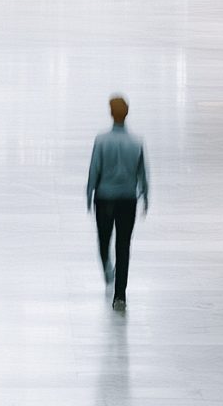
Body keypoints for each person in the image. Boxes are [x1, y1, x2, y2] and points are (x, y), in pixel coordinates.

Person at [85, 93, 149, 309]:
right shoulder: (137, 142)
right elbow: (142, 172)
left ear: (111, 113)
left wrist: (89, 193)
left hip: (104, 198)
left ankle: (107, 269)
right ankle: (120, 295)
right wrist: (146, 195)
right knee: (123, 245)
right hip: (128, 199)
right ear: (127, 113)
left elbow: (95, 169)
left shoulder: (101, 140)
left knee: (104, 240)